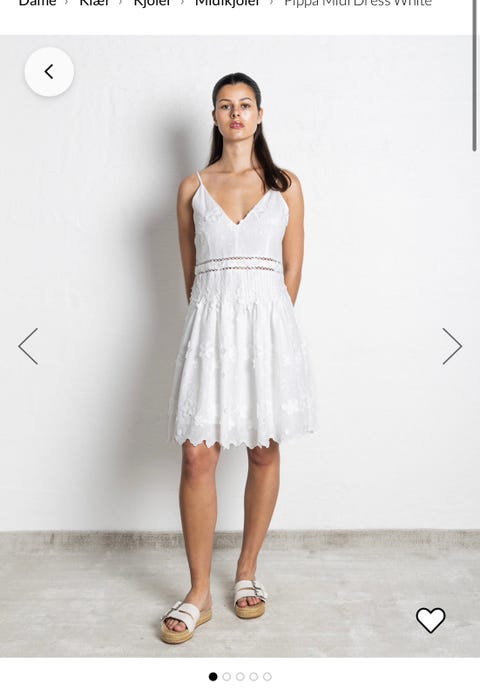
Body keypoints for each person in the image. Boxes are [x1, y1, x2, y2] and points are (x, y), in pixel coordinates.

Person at [161, 72, 316, 644]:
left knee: (263, 449)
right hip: (211, 330)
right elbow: (191, 274)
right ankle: (198, 591)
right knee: (196, 457)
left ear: (259, 114)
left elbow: (292, 268)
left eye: (244, 105)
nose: (235, 114)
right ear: (214, 117)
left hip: (268, 333)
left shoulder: (285, 185)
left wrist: (268, 328)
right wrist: (217, 324)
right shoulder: (192, 187)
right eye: (225, 105)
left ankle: (247, 571)